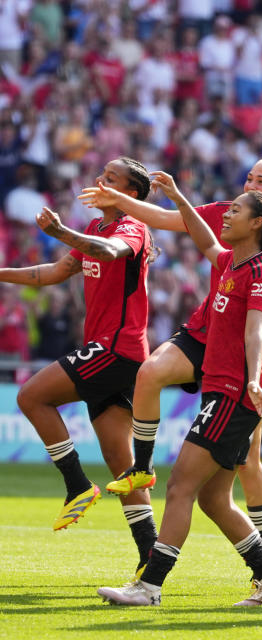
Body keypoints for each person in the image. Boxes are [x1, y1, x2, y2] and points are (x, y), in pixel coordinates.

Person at [96, 172, 262, 607]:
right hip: (222, 394)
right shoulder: (231, 261)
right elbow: (204, 239)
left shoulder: (260, 272)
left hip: (233, 396)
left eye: (236, 211)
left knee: (180, 488)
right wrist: (178, 197)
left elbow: (255, 333)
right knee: (213, 498)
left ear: (257, 223)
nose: (227, 216)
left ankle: (149, 587)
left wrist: (249, 383)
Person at [0, 158, 157, 575]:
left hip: (116, 349)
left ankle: (76, 486)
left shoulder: (132, 229)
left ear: (132, 195)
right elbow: (51, 273)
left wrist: (59, 231)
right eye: (101, 176)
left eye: (111, 179)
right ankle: (150, 557)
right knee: (121, 465)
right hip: (113, 353)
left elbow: (109, 252)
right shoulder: (94, 229)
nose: (99, 182)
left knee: (31, 396)